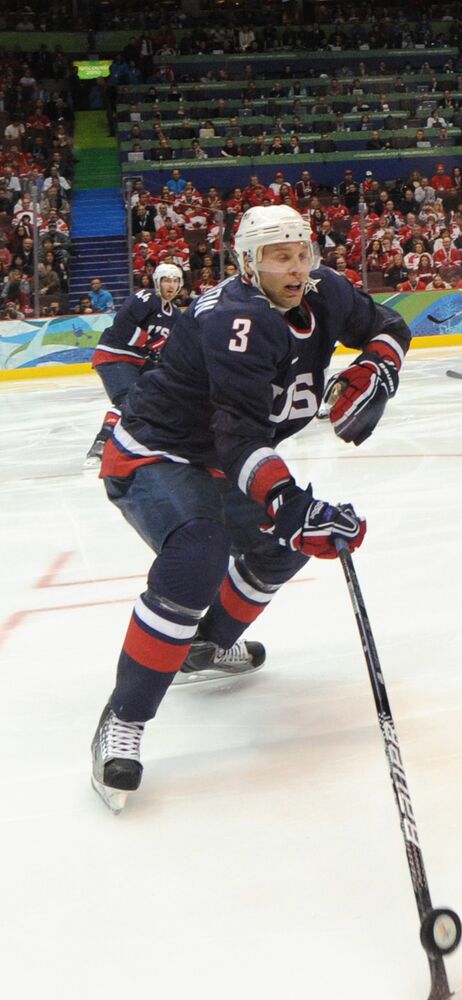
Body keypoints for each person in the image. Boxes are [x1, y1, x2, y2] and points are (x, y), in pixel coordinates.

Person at [89, 205, 412, 813]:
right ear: (247, 262)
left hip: (219, 457)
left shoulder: (328, 292)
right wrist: (291, 503)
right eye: (279, 256)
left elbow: (392, 325)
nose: (296, 267)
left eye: (302, 252)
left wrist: (377, 367)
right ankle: (122, 718)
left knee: (276, 548)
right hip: (156, 452)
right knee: (200, 550)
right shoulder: (234, 320)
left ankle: (204, 647)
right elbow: (239, 440)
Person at [85, 263, 185, 466]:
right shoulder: (146, 298)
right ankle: (101, 444)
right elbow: (123, 326)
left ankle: (148, 444)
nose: (171, 285)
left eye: (175, 281)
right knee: (127, 402)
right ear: (157, 282)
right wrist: (149, 343)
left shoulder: (175, 315)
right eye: (166, 280)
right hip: (114, 355)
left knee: (159, 399)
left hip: (139, 361)